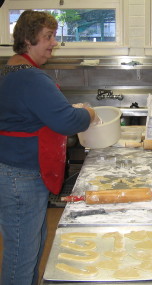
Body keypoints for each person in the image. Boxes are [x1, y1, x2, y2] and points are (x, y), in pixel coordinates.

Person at [0, 10, 97, 285]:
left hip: (15, 174)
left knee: (30, 245)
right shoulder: (29, 77)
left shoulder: (11, 70)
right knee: (21, 254)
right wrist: (88, 113)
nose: (54, 43)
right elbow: (66, 120)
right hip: (22, 178)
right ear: (28, 40)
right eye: (48, 37)